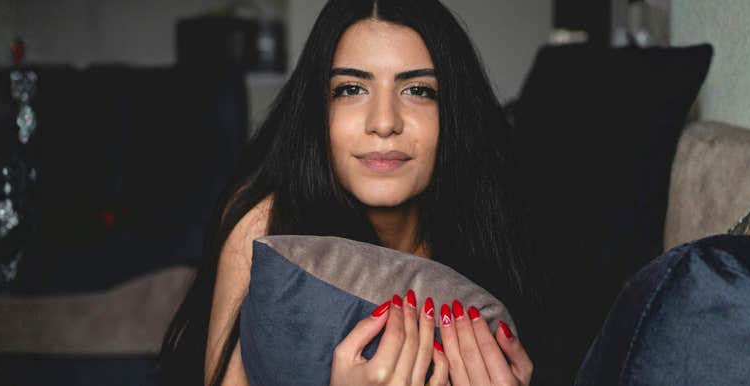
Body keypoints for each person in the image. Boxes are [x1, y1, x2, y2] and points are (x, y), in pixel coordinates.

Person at [160, 0, 538, 385]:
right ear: (317, 109)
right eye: (351, 89)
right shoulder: (265, 223)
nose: (384, 122)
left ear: (454, 110)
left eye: (418, 90)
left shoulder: (495, 225)